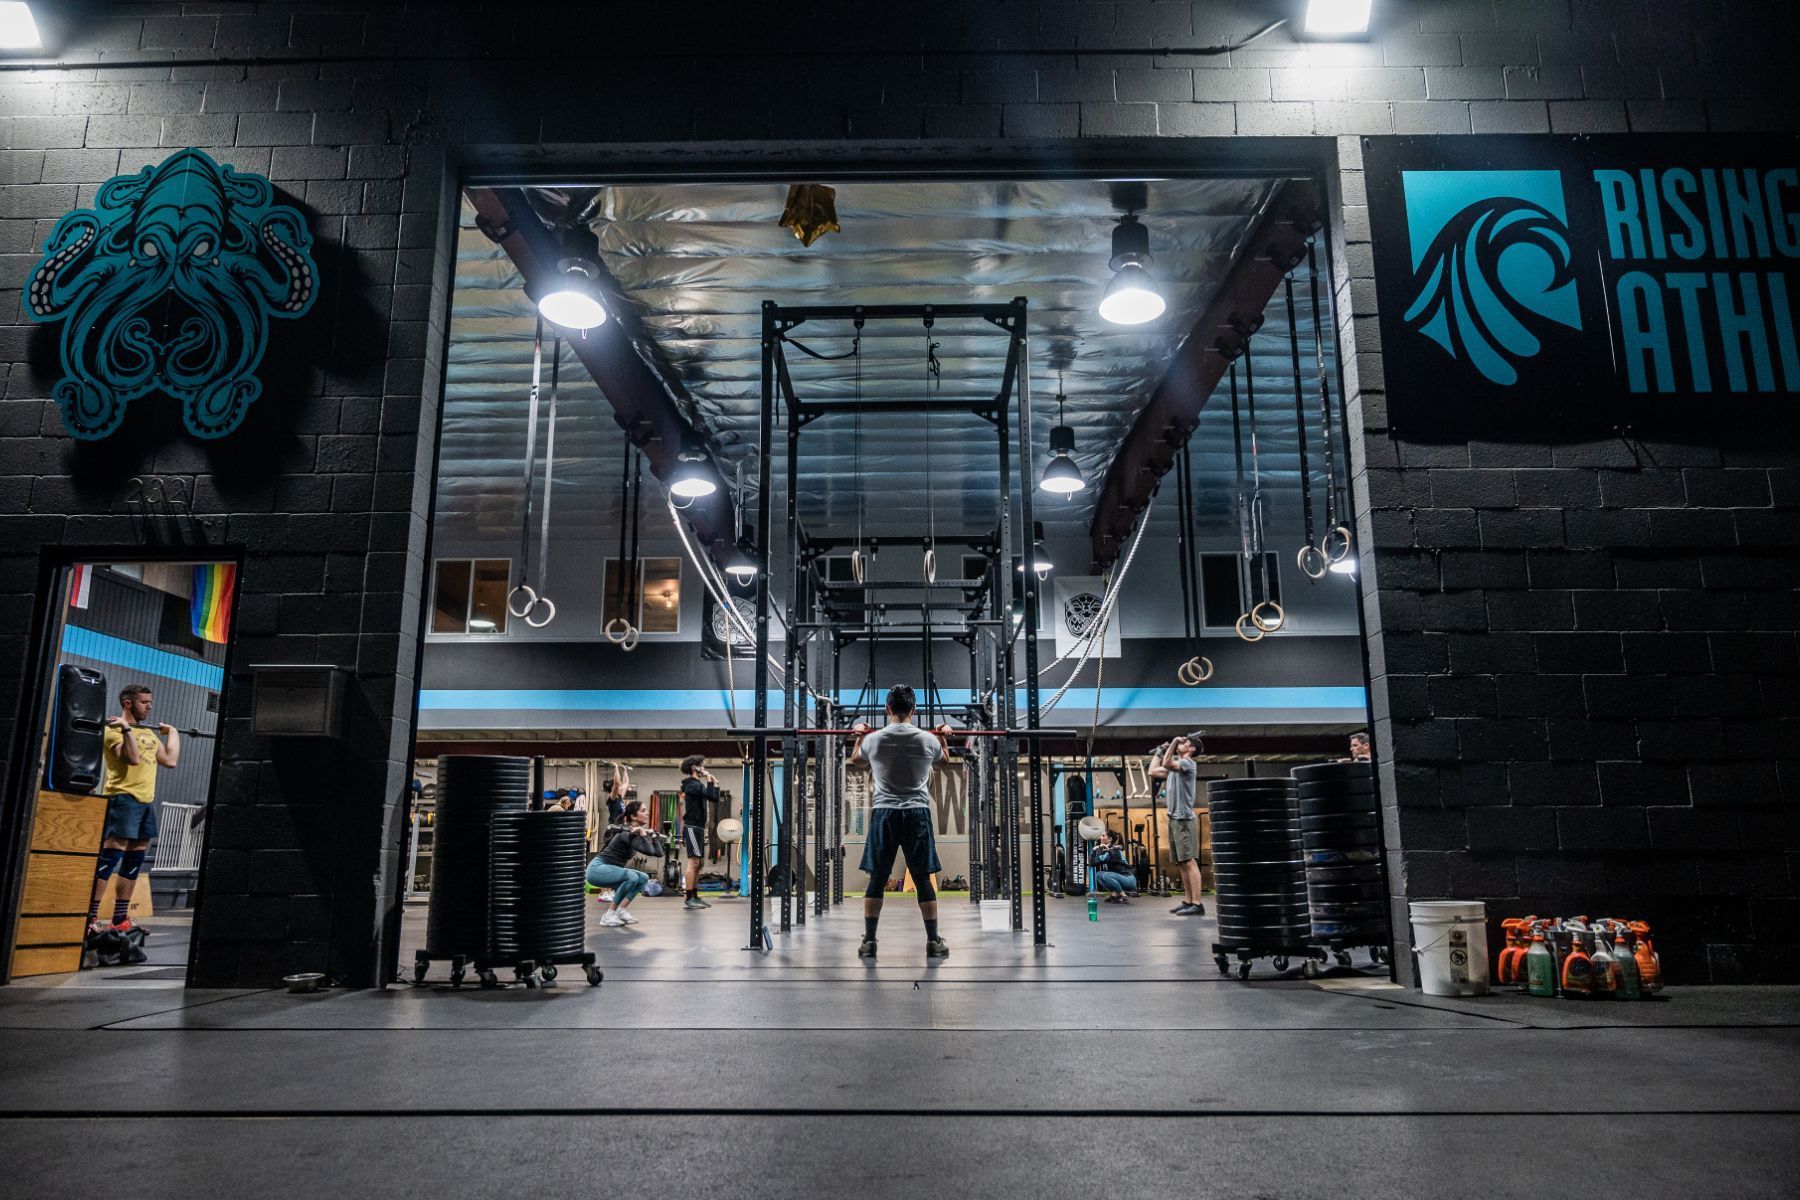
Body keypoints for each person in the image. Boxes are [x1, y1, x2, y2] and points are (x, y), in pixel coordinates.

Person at [849, 685, 951, 960]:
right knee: (922, 879)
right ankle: (933, 942)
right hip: (917, 813)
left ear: (888, 709)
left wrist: (858, 736)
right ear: (913, 711)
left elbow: (856, 761)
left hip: (884, 814)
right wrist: (942, 737)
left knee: (878, 878)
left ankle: (869, 941)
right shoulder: (927, 740)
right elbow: (944, 761)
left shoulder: (874, 740)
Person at [89, 684, 179, 935]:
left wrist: (172, 732)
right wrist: (127, 729)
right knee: (110, 859)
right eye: (144, 702)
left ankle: (119, 919)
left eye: (150, 702)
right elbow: (132, 758)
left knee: (134, 861)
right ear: (128, 703)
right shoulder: (112, 730)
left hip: (145, 802)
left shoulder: (149, 735)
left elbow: (170, 760)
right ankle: (90, 918)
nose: (149, 706)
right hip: (122, 799)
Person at [586, 800, 664, 928]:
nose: (647, 813)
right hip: (596, 870)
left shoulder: (634, 833)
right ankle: (609, 915)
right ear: (633, 816)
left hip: (609, 869)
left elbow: (658, 853)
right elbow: (649, 851)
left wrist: (654, 836)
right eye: (643, 811)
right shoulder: (626, 833)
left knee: (643, 878)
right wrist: (644, 834)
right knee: (631, 877)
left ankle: (620, 911)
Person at [1153, 735, 1206, 917]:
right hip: (1174, 819)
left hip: (1184, 819)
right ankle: (1188, 901)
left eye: (1185, 743)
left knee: (1190, 861)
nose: (1181, 745)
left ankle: (1197, 903)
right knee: (1182, 862)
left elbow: (1168, 762)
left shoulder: (1188, 764)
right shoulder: (1174, 770)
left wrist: (1174, 741)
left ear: (1190, 749)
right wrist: (1159, 751)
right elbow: (1152, 771)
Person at [679, 754, 719, 910]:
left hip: (698, 827)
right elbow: (709, 795)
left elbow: (714, 798)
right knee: (693, 862)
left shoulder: (696, 785)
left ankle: (694, 896)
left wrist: (714, 782)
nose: (704, 768)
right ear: (693, 767)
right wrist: (709, 778)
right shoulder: (692, 785)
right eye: (701, 765)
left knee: (698, 864)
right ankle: (689, 897)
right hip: (692, 827)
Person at [1088, 830, 1136, 902]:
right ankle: (1114, 895)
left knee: (1106, 875)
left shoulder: (1114, 850)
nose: (1100, 837)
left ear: (1110, 839)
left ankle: (1123, 896)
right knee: (1099, 875)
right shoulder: (1108, 850)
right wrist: (1094, 850)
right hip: (1119, 878)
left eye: (1103, 836)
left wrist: (1100, 849)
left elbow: (1099, 860)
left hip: (1129, 880)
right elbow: (1092, 864)